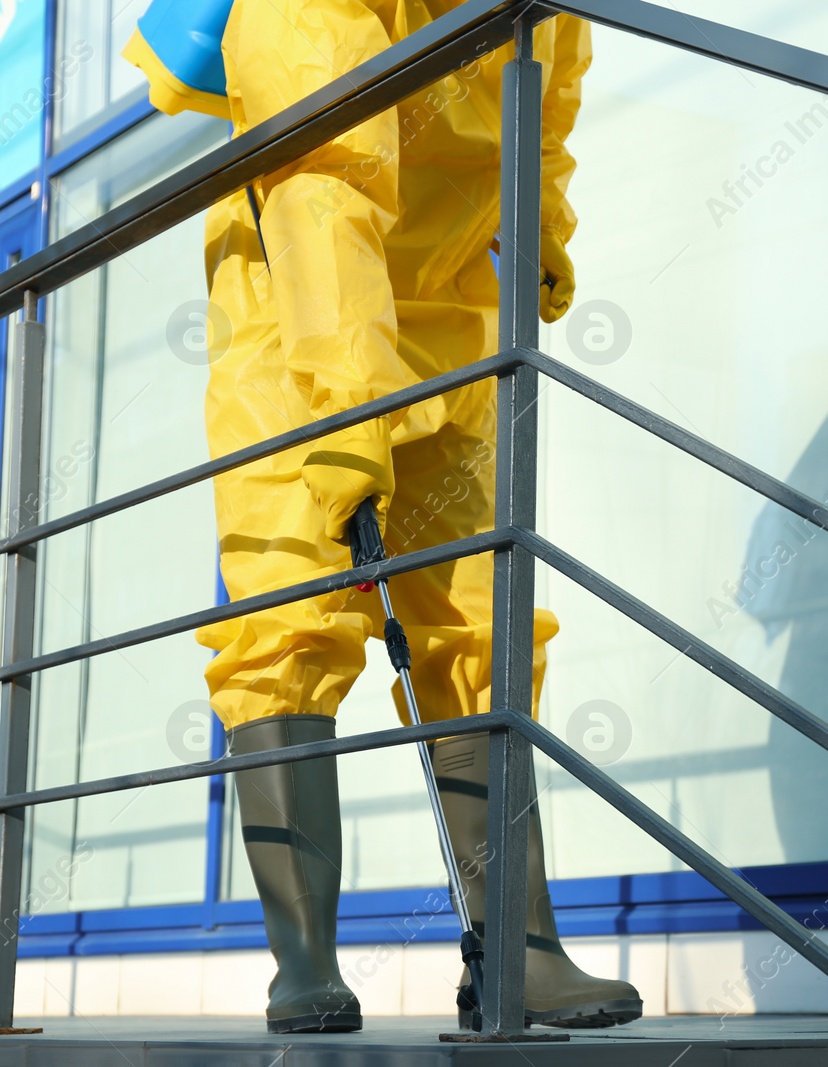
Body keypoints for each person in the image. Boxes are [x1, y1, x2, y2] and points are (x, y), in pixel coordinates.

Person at [126, 0, 639, 1035]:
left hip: (447, 310)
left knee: (480, 627)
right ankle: (303, 962)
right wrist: (351, 416)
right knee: (288, 627)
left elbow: (546, 95)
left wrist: (539, 219)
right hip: (292, 324)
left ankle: (518, 953)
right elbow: (325, 189)